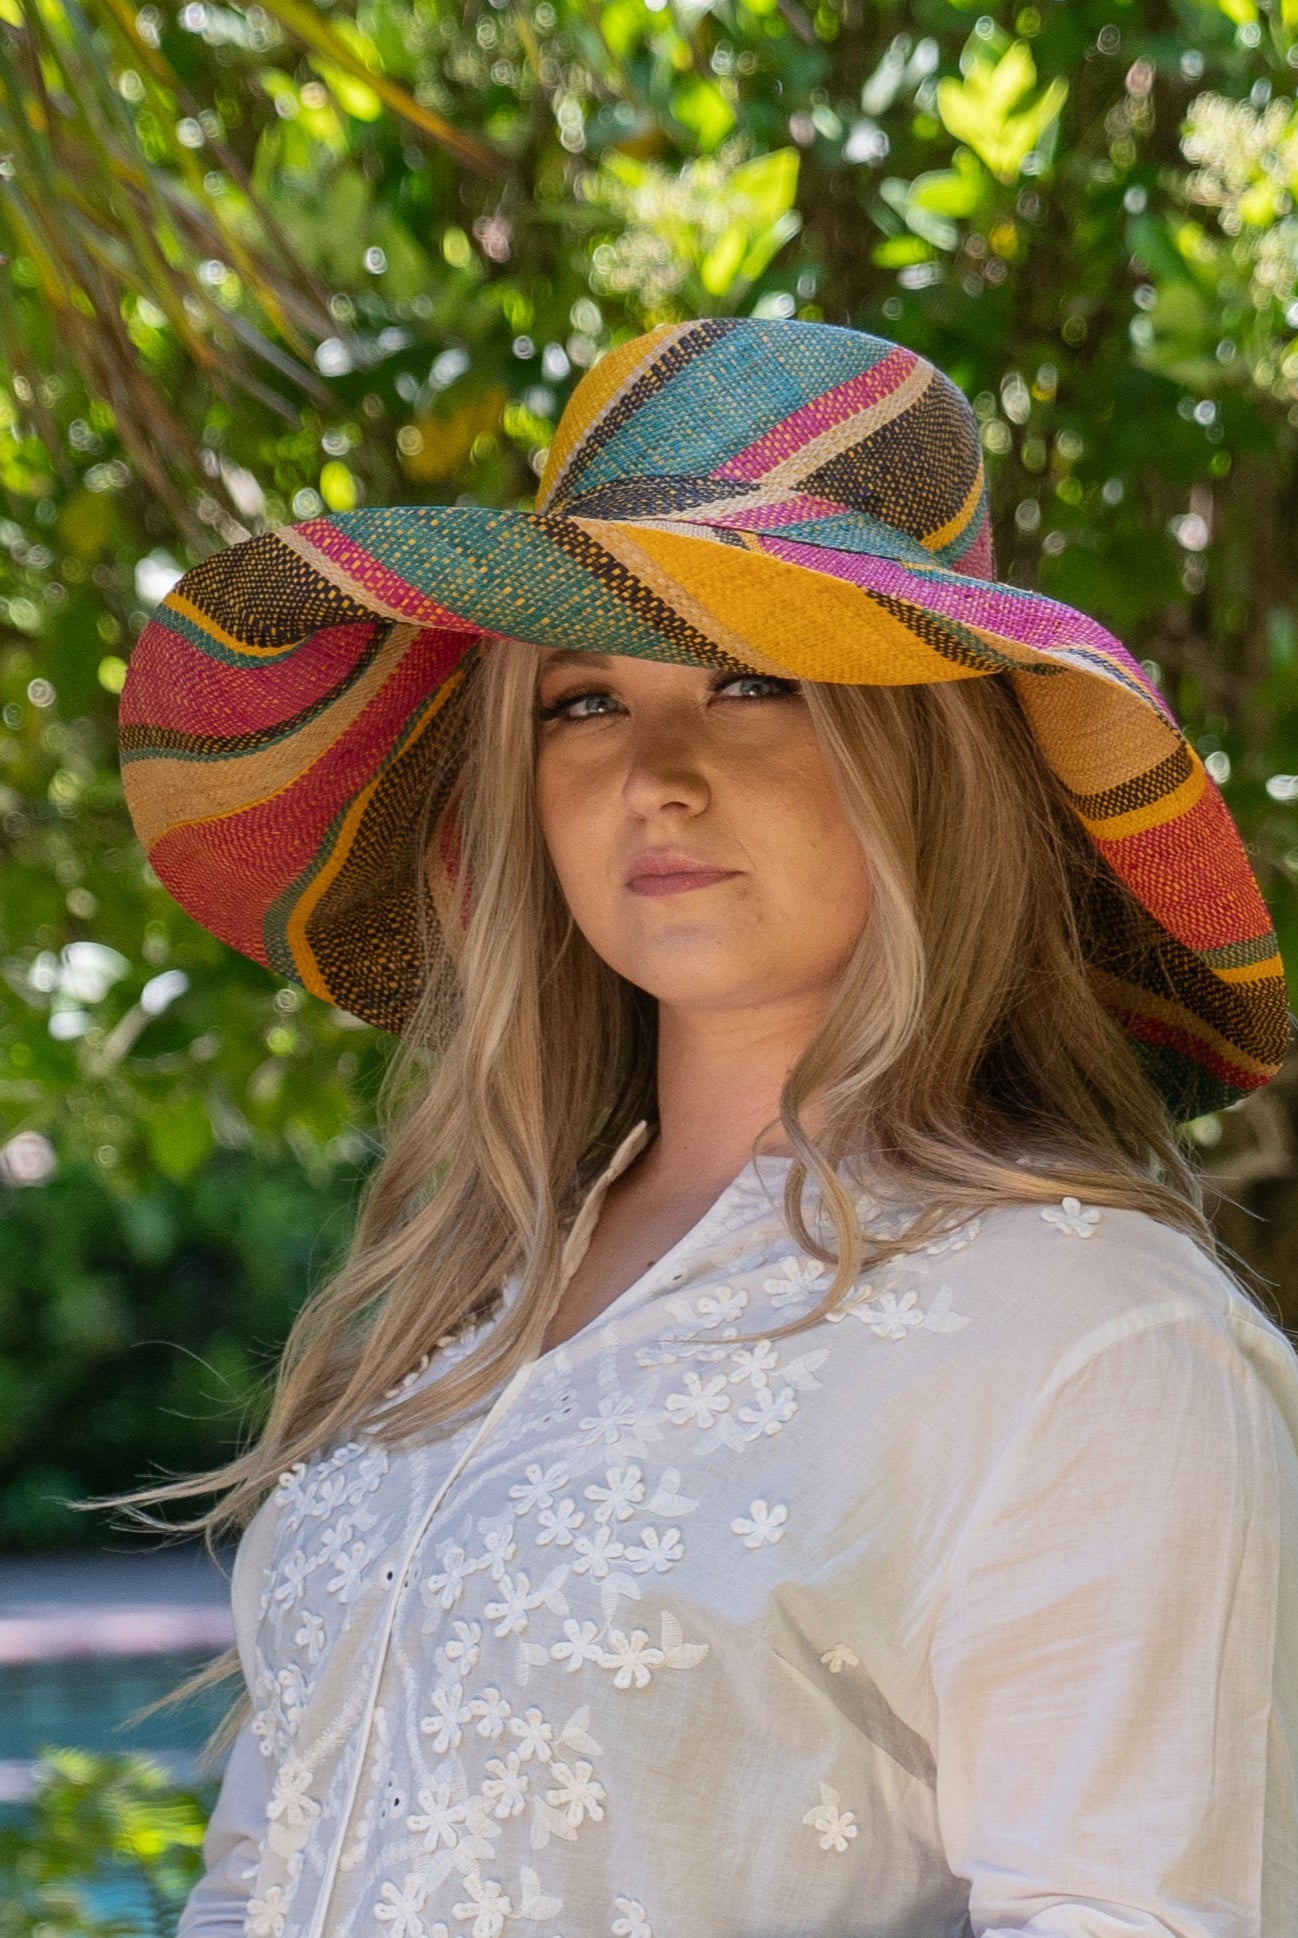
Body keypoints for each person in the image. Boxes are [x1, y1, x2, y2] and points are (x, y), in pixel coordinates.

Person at [117, 317, 1298, 1937]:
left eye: (751, 683)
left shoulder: (1093, 1341)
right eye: (582, 704)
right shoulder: (469, 1289)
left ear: (925, 755)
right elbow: (259, 1877)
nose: (654, 777)